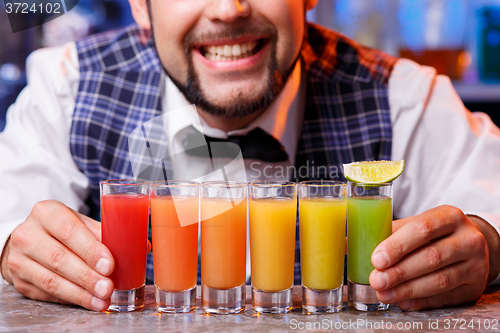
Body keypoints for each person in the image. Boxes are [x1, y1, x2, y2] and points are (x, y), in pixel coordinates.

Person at [1, 0, 499, 313]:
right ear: (139, 5)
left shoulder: (406, 97)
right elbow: (8, 215)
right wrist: (12, 249)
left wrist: (487, 246)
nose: (229, 8)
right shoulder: (68, 86)